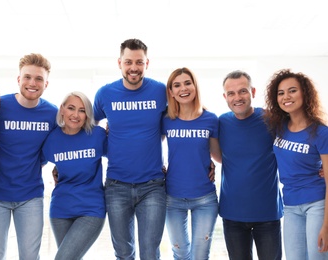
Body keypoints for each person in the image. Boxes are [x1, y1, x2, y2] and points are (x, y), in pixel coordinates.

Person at [93, 38, 167, 260]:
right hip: (116, 186)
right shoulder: (105, 94)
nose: (134, 67)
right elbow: (86, 129)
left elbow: (189, 111)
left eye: (139, 62)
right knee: (124, 253)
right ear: (119, 63)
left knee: (149, 253)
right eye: (128, 62)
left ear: (147, 63)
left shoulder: (161, 91)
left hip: (153, 186)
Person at [0, 53, 58, 260]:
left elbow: (63, 143)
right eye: (27, 77)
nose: (32, 83)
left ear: (46, 83)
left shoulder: (52, 114)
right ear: (18, 79)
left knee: (30, 256)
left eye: (39, 79)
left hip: (30, 196)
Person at [218, 70, 283, 260]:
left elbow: (298, 140)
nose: (237, 97)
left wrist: (318, 165)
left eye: (243, 91)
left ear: (253, 92)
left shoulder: (271, 119)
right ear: (225, 97)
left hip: (268, 214)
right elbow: (214, 153)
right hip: (232, 215)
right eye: (231, 93)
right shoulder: (221, 122)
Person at [264, 69, 328, 259]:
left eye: (292, 90)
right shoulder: (278, 127)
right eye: (281, 93)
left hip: (316, 204)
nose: (286, 97)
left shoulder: (321, 132)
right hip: (290, 205)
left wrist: (326, 224)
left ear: (305, 94)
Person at [161, 67, 221, 260]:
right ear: (171, 92)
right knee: (179, 252)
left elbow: (218, 156)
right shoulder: (166, 120)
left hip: (204, 198)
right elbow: (149, 146)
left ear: (195, 86)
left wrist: (213, 164)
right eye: (176, 85)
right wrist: (158, 166)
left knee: (200, 255)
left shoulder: (210, 119)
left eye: (187, 83)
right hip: (173, 197)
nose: (183, 88)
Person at [42, 91, 107, 260]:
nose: (76, 115)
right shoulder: (51, 139)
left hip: (91, 209)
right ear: (62, 110)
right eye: (71, 108)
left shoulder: (97, 135)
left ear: (87, 115)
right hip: (60, 209)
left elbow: (122, 156)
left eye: (82, 110)